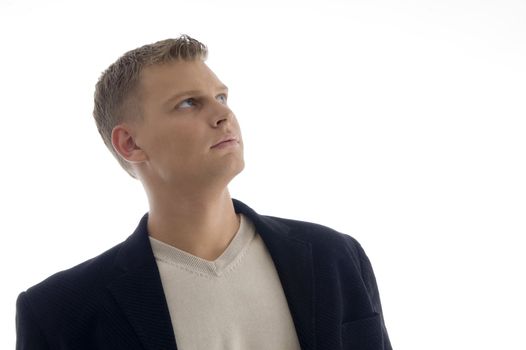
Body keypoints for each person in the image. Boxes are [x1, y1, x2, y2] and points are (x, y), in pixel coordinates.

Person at [15, 35, 392, 350]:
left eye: (222, 97)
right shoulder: (60, 312)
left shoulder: (336, 257)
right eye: (189, 103)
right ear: (130, 143)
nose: (222, 115)